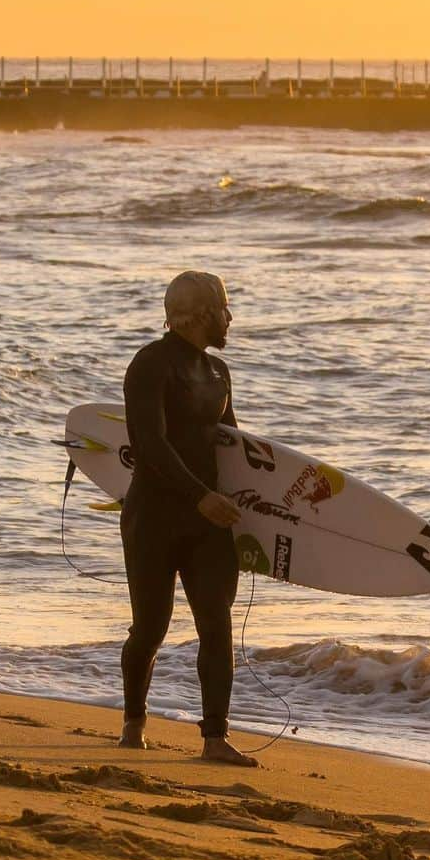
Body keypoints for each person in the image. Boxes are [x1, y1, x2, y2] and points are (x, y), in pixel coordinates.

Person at [118, 270, 257, 766]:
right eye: (224, 308)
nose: (230, 317)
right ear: (201, 315)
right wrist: (200, 496)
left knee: (217, 627)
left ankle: (215, 738)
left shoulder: (219, 374)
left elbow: (234, 451)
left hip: (209, 523)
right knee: (150, 629)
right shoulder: (151, 365)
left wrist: (262, 518)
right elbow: (148, 446)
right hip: (153, 516)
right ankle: (134, 723)